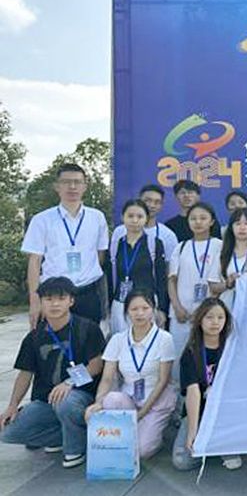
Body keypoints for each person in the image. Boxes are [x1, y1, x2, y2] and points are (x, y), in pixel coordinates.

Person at [0, 277, 105, 468]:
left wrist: (69, 382)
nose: (55, 304)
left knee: (65, 402)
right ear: (41, 302)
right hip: (46, 401)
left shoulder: (87, 328)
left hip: (80, 397)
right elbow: (25, 374)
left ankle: (75, 449)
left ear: (71, 301)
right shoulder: (34, 336)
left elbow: (96, 365)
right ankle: (71, 436)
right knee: (8, 432)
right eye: (48, 299)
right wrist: (12, 406)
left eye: (61, 298)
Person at [84, 289, 177, 459]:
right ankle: (132, 431)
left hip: (156, 400)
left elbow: (163, 381)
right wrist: (99, 403)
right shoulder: (118, 339)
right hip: (129, 398)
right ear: (127, 312)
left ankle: (154, 434)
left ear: (153, 310)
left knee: (142, 451)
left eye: (145, 308)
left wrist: (141, 414)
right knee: (111, 399)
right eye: (134, 309)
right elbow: (107, 378)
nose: (140, 313)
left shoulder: (164, 339)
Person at [22, 163, 109, 327]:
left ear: (85, 186)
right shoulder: (41, 220)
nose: (72, 187)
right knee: (54, 341)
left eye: (77, 182)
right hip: (53, 295)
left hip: (88, 294)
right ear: (57, 186)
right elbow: (34, 261)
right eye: (66, 182)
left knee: (89, 340)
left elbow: (100, 254)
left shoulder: (97, 218)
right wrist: (35, 300)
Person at [172, 298, 241, 471]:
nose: (215, 322)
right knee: (182, 462)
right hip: (199, 411)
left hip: (225, 413)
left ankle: (222, 443)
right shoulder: (191, 352)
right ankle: (211, 446)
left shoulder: (232, 349)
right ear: (200, 320)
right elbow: (193, 392)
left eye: (220, 317)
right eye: (209, 317)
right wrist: (192, 431)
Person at [167, 202, 223, 372]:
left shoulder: (219, 246)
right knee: (178, 357)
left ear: (212, 221)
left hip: (208, 314)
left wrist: (205, 311)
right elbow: (171, 280)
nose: (198, 222)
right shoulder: (181, 247)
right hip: (182, 314)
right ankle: (178, 388)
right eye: (193, 218)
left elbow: (219, 282)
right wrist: (177, 307)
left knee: (206, 357)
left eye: (203, 218)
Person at [108, 199, 169, 335]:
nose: (135, 220)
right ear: (122, 217)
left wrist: (162, 309)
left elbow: (161, 278)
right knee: (121, 343)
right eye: (130, 216)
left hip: (146, 305)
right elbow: (110, 277)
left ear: (146, 218)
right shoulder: (116, 245)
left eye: (140, 216)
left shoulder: (154, 244)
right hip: (120, 304)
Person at [110, 184, 179, 273]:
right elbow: (112, 264)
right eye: (148, 200)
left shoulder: (168, 235)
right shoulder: (120, 231)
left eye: (157, 202)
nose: (152, 205)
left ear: (161, 205)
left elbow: (170, 268)